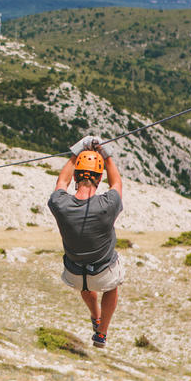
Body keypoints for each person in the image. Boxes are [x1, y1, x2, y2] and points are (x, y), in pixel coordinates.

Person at [47, 135, 123, 348]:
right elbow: (116, 183)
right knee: (112, 285)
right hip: (101, 273)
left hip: (73, 274)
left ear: (77, 176)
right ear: (99, 180)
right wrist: (106, 156)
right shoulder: (108, 204)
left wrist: (76, 153)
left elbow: (61, 182)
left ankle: (95, 315)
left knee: (85, 278)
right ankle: (102, 333)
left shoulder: (60, 203)